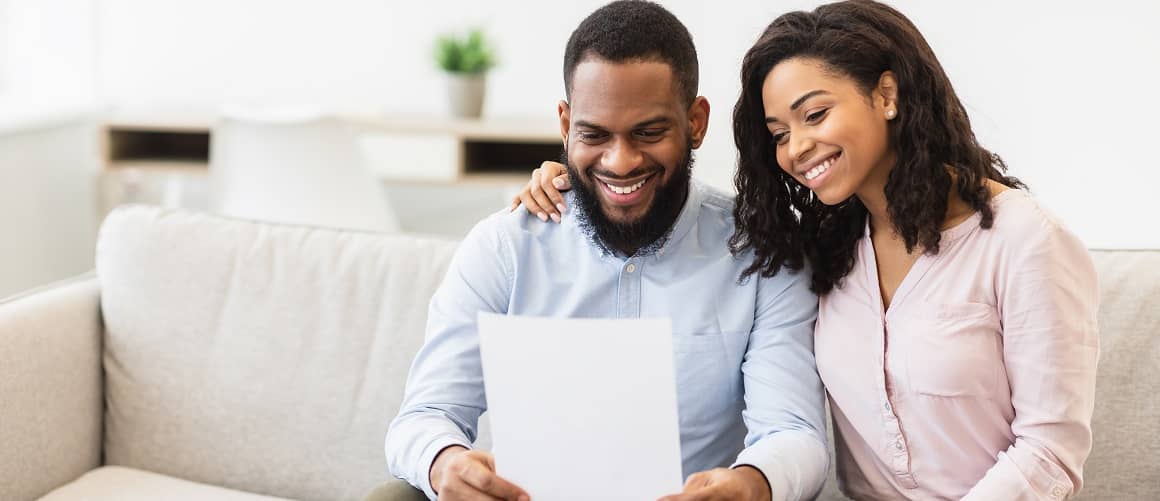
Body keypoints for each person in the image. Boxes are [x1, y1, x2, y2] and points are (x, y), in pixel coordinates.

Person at [513, 1, 1100, 499]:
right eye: (778, 134)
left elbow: (1049, 452)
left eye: (814, 114)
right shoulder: (825, 248)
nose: (797, 148)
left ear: (887, 94)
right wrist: (572, 176)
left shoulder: (1024, 242)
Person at [382, 2, 829, 501]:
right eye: (594, 134)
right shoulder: (506, 247)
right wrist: (444, 462)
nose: (621, 162)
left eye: (649, 132)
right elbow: (423, 417)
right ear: (566, 123)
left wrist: (751, 484)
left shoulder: (762, 254)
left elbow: (794, 433)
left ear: (696, 121)